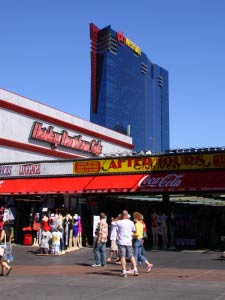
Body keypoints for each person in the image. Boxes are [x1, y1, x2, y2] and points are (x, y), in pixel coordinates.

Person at [115, 210, 139, 277]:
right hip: (129, 241)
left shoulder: (119, 222)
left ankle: (124, 271)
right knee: (131, 256)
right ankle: (135, 270)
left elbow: (112, 223)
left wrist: (118, 217)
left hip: (121, 242)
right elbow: (134, 230)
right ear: (127, 215)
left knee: (122, 257)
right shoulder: (131, 222)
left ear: (122, 215)